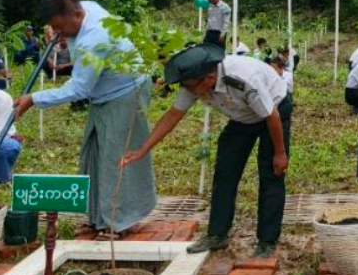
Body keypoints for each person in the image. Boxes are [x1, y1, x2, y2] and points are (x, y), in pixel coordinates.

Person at [122, 44, 290, 257]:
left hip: (274, 109)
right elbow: (174, 114)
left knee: (271, 173)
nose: (187, 90)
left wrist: (280, 153)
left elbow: (271, 116)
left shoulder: (243, 80)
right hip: (242, 117)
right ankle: (217, 234)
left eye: (189, 86)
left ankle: (267, 240)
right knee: (225, 171)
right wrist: (143, 149)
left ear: (209, 78)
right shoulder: (194, 82)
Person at [14, 0, 156, 234]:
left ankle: (119, 222)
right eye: (53, 27)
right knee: (94, 154)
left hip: (126, 93)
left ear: (77, 15)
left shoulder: (93, 39)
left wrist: (33, 99)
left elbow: (79, 89)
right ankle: (98, 217)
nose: (57, 32)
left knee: (116, 159)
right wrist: (63, 36)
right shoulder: (85, 7)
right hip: (103, 95)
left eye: (59, 27)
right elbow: (73, 40)